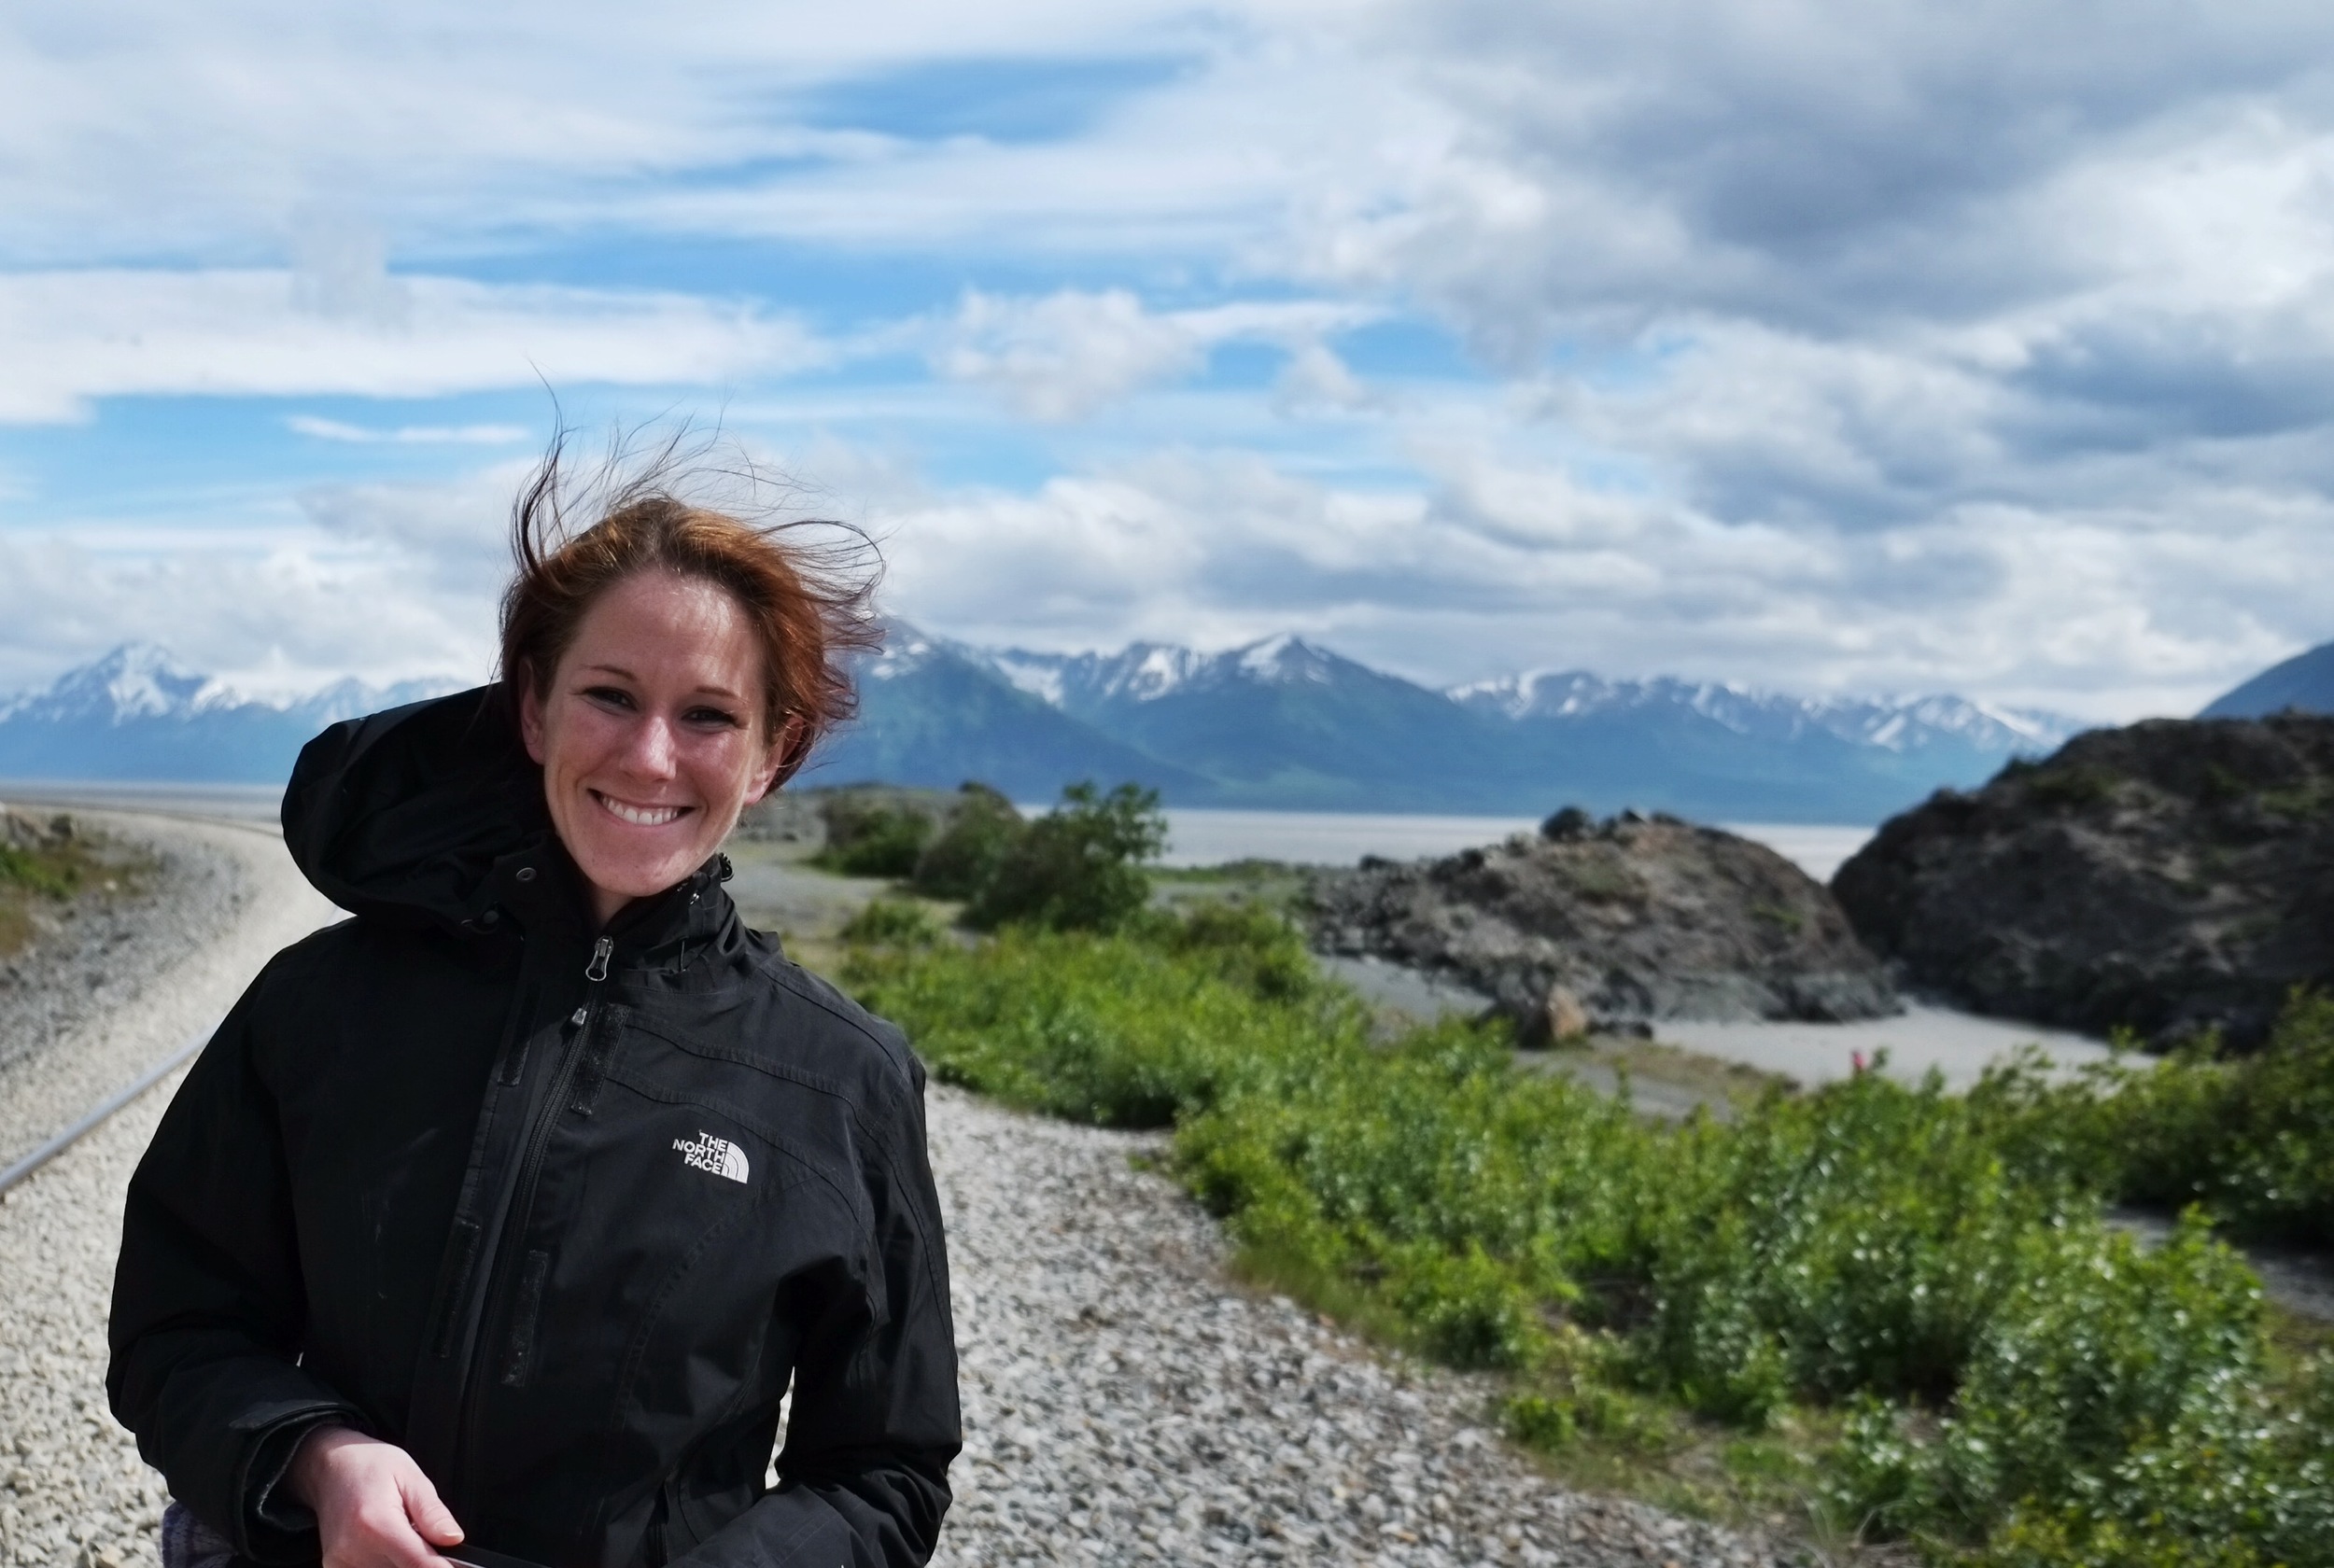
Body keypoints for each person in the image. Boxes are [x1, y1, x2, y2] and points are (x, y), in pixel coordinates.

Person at [107, 466, 961, 1568]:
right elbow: (177, 1328)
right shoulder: (321, 1004)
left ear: (770, 758)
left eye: (708, 716)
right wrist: (314, 1459)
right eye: (610, 695)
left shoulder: (839, 1080)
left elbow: (882, 1473)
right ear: (532, 709)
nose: (650, 756)